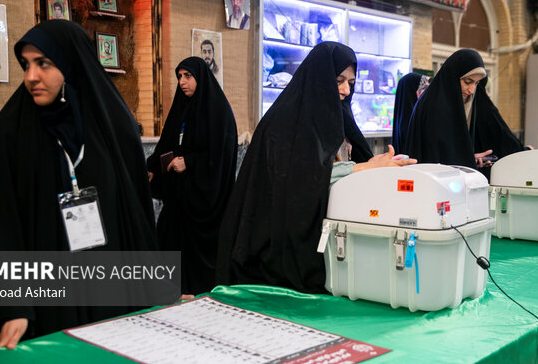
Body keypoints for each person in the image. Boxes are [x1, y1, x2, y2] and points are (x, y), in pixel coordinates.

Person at [0, 20, 158, 353]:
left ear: (71, 63)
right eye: (26, 64)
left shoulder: (113, 127)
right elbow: (0, 226)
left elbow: (136, 216)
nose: (30, 76)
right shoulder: (12, 131)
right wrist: (13, 307)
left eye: (43, 63)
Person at [215, 42, 416, 294]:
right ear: (320, 78)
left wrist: (369, 166)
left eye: (350, 83)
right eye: (339, 80)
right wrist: (361, 169)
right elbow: (299, 181)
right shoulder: (284, 123)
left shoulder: (336, 117)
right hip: (275, 251)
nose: (345, 90)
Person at [147, 57, 237, 295]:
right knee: (167, 237)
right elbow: (167, 144)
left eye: (188, 76)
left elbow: (222, 155)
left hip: (205, 198)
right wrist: (153, 166)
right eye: (179, 76)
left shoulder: (218, 111)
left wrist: (190, 162)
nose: (182, 82)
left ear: (200, 77)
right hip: (180, 197)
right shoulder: (181, 108)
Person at [404, 48, 495, 169]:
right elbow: (433, 158)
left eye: (476, 83)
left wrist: (469, 159)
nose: (472, 90)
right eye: (468, 81)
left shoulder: (454, 104)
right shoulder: (434, 107)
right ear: (453, 77)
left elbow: (450, 152)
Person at [391, 72, 429, 155]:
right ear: (412, 90)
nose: (427, 92)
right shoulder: (409, 123)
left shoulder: (404, 119)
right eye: (424, 88)